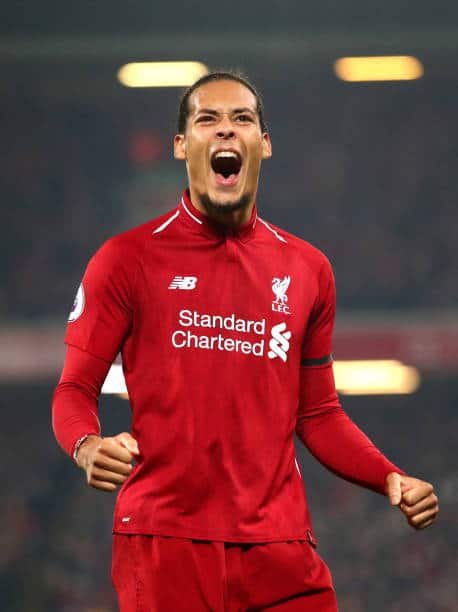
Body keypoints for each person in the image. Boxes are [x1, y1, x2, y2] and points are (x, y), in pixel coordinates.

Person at [52, 71, 439, 611]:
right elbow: (73, 388)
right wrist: (86, 446)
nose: (227, 132)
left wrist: (389, 477)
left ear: (265, 143)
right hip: (167, 542)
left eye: (243, 120)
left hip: (281, 547)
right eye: (207, 119)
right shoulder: (126, 260)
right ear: (182, 146)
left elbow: (319, 413)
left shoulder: (308, 269)